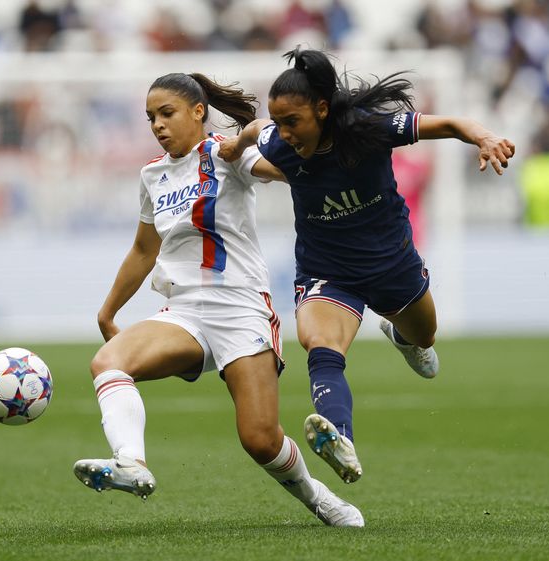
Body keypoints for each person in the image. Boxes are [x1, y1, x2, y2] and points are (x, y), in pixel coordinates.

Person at [73, 72, 364, 527]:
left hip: (241, 309)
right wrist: (108, 311)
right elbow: (144, 250)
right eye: (150, 118)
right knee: (108, 362)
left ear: (198, 112)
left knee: (260, 439)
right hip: (183, 312)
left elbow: (284, 171)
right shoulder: (152, 175)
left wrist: (319, 157)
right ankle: (131, 463)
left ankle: (320, 499)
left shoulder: (224, 153)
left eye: (166, 113)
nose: (157, 125)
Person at [219, 48, 515, 484]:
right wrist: (235, 146)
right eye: (279, 122)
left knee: (425, 335)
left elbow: (452, 124)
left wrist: (485, 137)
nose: (284, 132)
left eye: (293, 121)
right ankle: (340, 438)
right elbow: (255, 129)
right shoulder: (279, 141)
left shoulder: (369, 128)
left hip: (391, 264)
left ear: (322, 109)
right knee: (320, 344)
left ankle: (402, 336)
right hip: (326, 270)